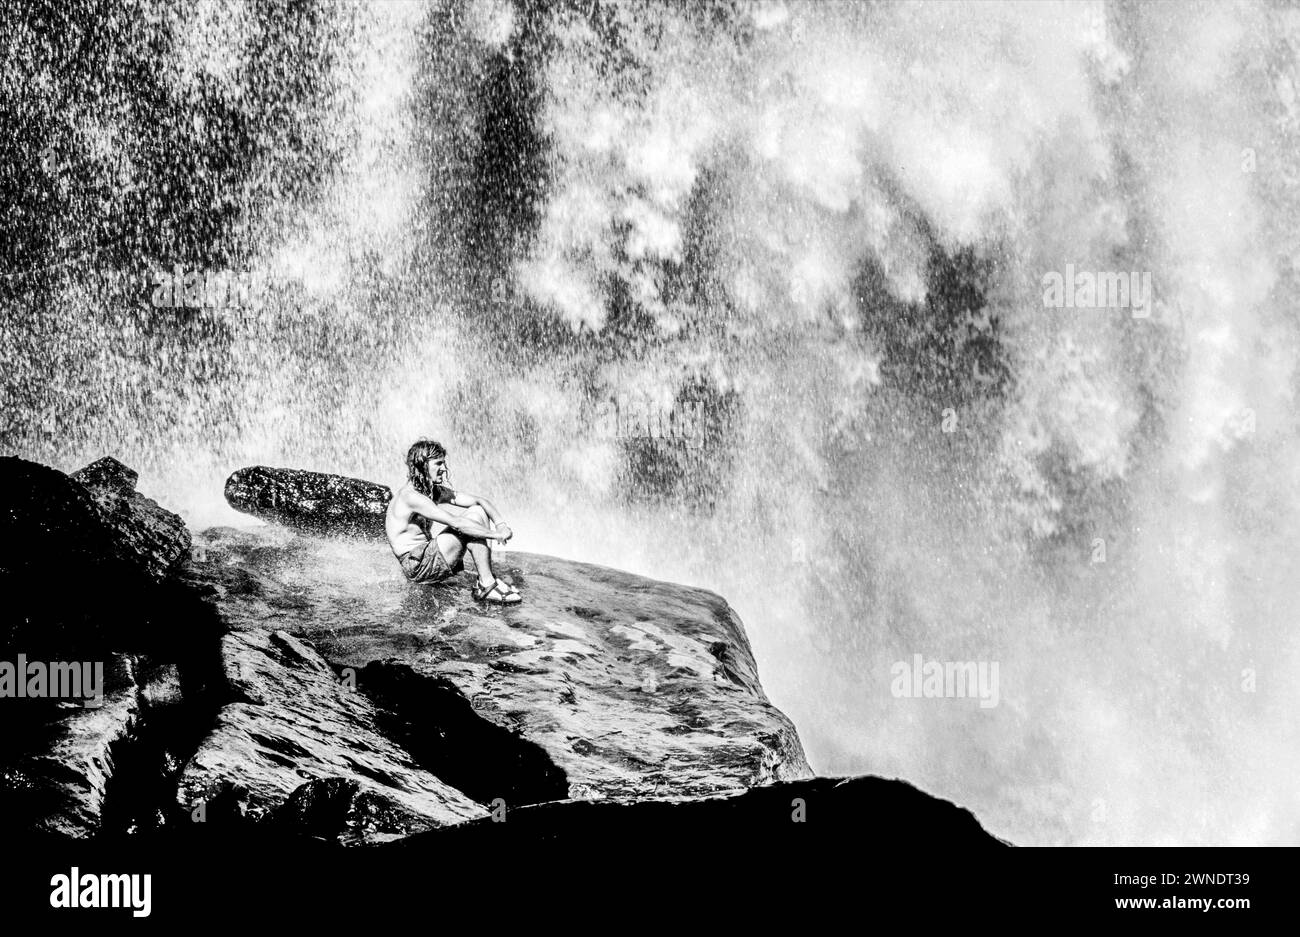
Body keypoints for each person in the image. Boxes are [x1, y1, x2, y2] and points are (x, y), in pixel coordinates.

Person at [384, 438, 521, 604]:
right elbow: (457, 523)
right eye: (438, 463)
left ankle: (486, 581)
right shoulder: (410, 497)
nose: (443, 469)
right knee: (464, 526)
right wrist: (495, 534)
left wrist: (501, 524)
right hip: (417, 566)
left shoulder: (432, 491)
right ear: (422, 465)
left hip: (429, 558)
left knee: (477, 511)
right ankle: (487, 585)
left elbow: (479, 501)